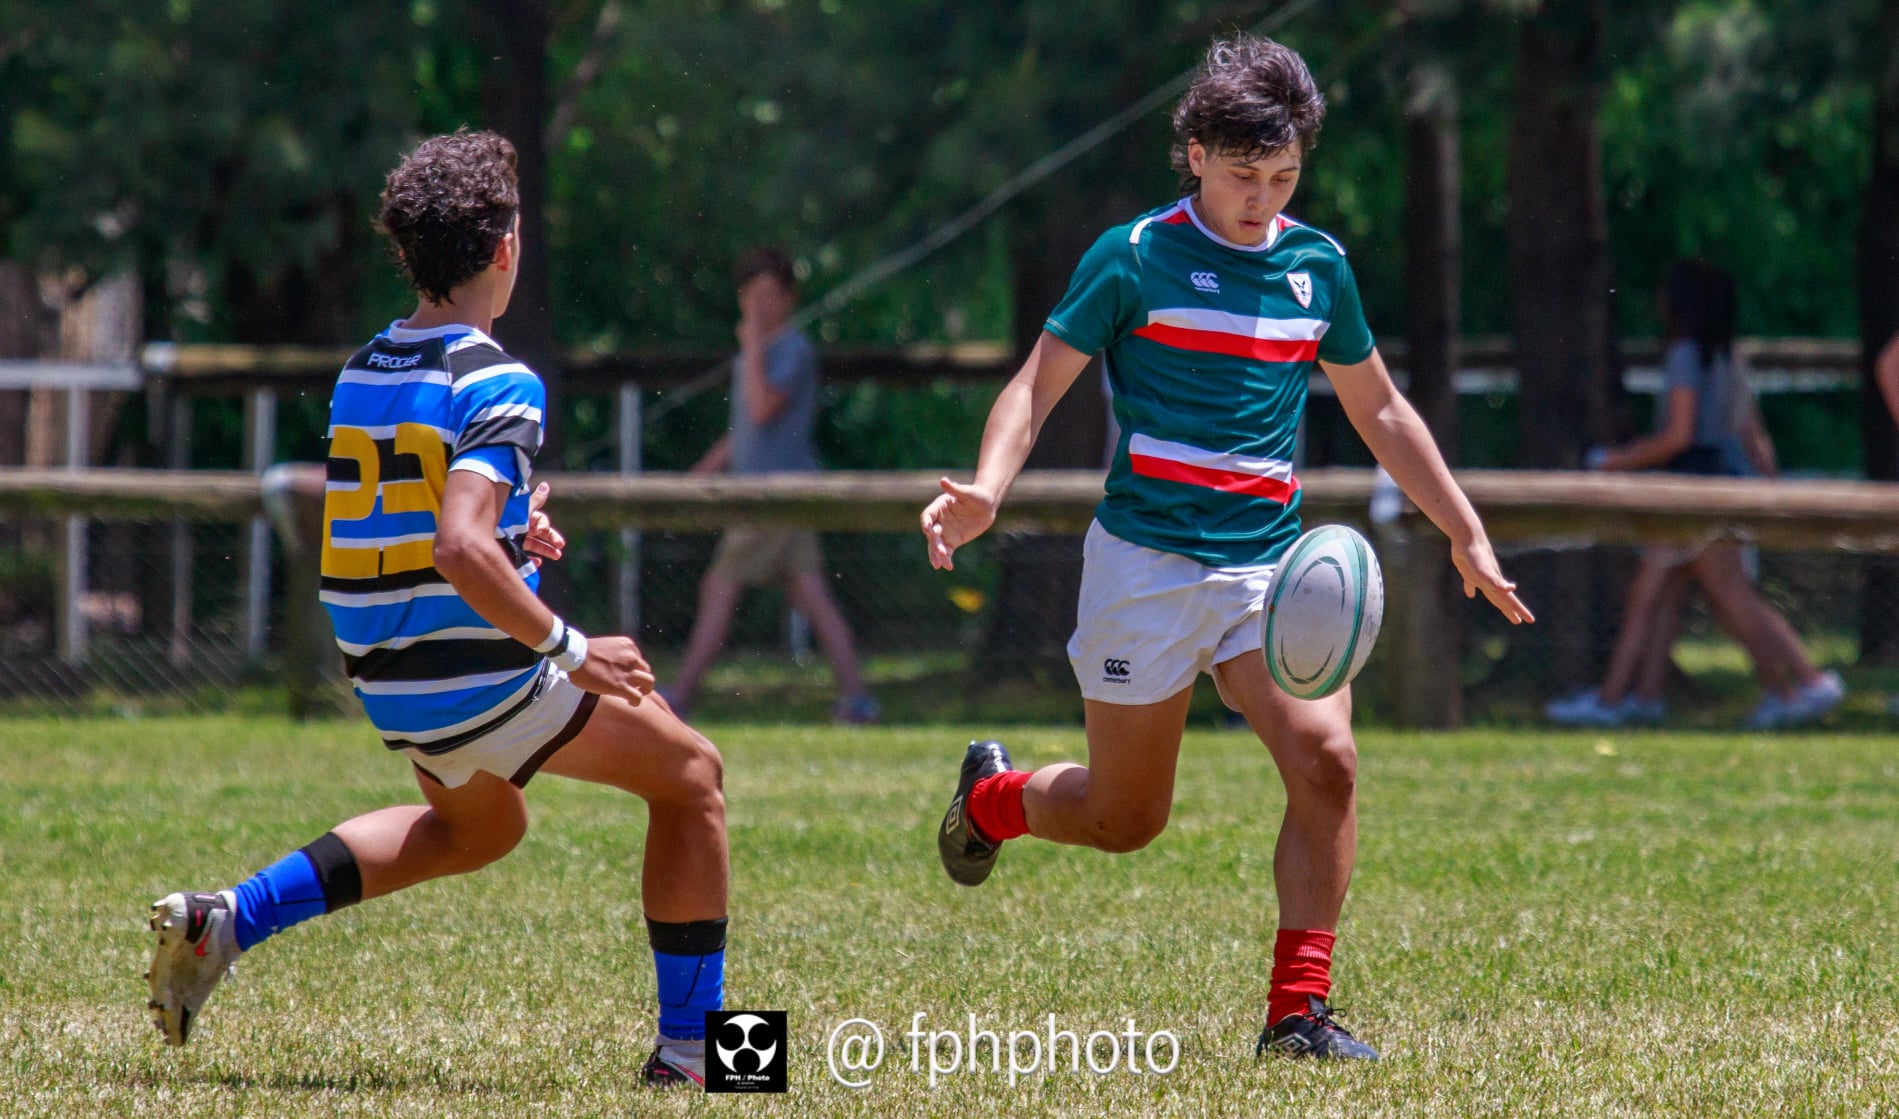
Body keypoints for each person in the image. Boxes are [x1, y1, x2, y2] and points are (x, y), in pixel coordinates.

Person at [918, 35, 1532, 1061]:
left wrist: (1464, 531)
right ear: (1195, 152)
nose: (1263, 196)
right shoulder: (1132, 257)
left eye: (1283, 176)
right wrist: (988, 486)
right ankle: (991, 798)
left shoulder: (1316, 268)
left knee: (1328, 763)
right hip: (1144, 568)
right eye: (1244, 174)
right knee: (1126, 820)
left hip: (1266, 574)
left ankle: (1296, 1014)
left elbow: (1381, 412)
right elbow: (1034, 385)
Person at [144, 132, 729, 1088]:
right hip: (477, 676)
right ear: (503, 246)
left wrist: (509, 534)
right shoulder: (500, 376)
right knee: (694, 775)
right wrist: (570, 645)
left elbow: (410, 528)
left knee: (479, 831)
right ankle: (704, 1056)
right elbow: (454, 545)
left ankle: (228, 919)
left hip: (392, 677)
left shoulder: (364, 368)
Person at [1548, 261, 1844, 730]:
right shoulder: (1730, 357)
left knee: (1721, 598)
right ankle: (1642, 696)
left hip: (1691, 489)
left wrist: (1613, 461)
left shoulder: (1686, 354)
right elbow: (1752, 433)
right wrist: (1772, 490)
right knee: (1657, 597)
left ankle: (1808, 683)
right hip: (1724, 483)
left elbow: (1678, 436)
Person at [666, 247, 878, 724]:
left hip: (775, 496)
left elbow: (763, 408)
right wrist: (709, 465)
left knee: (718, 586)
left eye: (768, 294)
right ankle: (858, 698)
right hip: (764, 494)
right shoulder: (757, 354)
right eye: (750, 295)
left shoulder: (791, 350)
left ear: (787, 298)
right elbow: (747, 427)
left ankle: (680, 695)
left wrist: (755, 349)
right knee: (812, 596)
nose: (758, 305)